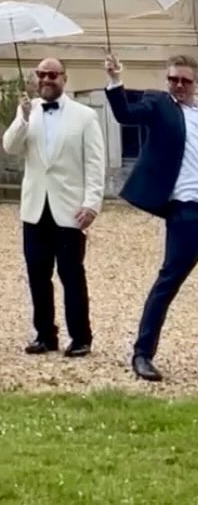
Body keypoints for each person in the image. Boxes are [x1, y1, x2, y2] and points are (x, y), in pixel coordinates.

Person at [2, 54, 105, 357]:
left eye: (53, 75)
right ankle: (45, 335)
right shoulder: (28, 111)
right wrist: (21, 118)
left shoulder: (85, 116)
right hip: (35, 208)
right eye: (41, 74)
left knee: (72, 274)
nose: (46, 80)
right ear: (35, 77)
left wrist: (92, 204)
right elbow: (10, 146)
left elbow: (95, 163)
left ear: (64, 79)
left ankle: (81, 337)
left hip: (70, 208)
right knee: (37, 273)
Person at [105, 49, 198, 383]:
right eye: (173, 78)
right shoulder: (159, 105)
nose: (178, 85)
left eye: (185, 80)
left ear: (195, 82)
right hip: (187, 212)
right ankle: (142, 354)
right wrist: (116, 80)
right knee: (167, 283)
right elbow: (125, 114)